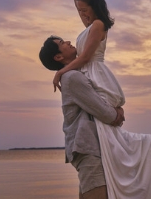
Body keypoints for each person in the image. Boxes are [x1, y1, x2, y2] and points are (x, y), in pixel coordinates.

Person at [50, 0, 151, 198]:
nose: (81, 14)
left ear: (93, 8)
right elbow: (76, 0)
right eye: (79, 10)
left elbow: (85, 57)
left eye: (84, 10)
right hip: (87, 75)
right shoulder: (89, 25)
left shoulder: (98, 25)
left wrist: (61, 72)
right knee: (108, 133)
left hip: (96, 76)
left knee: (106, 126)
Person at [39, 35, 125, 199]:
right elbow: (106, 114)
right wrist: (118, 112)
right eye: (63, 43)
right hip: (88, 148)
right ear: (58, 57)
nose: (69, 42)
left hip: (87, 147)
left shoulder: (76, 74)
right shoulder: (73, 78)